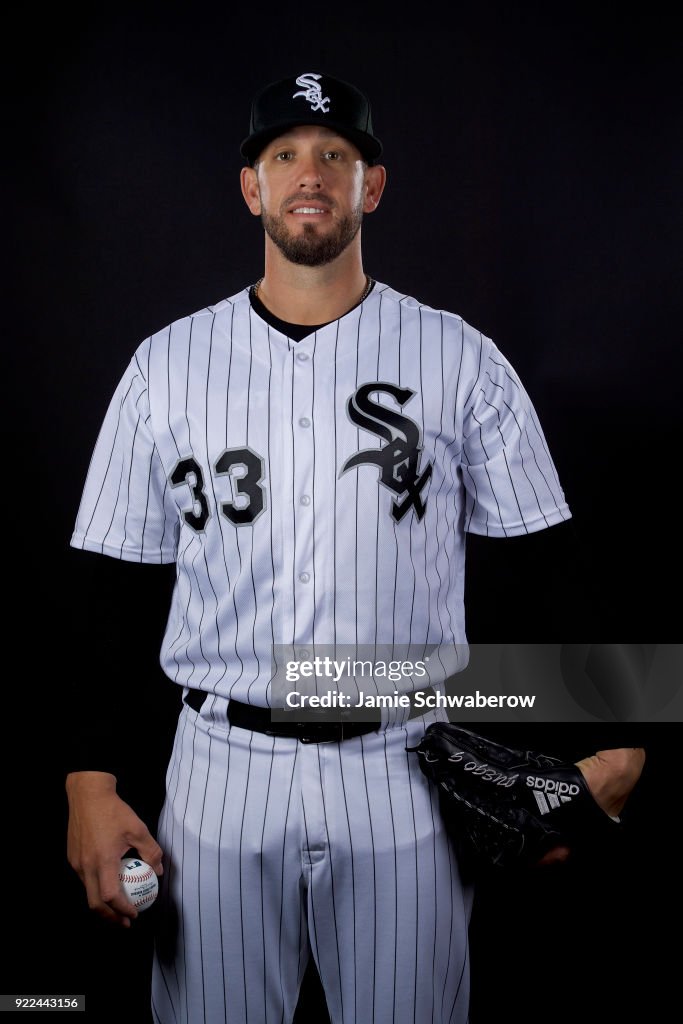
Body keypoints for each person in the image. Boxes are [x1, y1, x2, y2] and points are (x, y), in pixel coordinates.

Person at [65, 71, 645, 1024]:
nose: (310, 174)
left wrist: (623, 748)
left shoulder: (458, 357)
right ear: (250, 187)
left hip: (401, 769)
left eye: (336, 153)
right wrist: (86, 782)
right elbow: (107, 590)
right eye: (283, 153)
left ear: (371, 186)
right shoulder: (164, 365)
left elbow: (556, 565)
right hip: (215, 772)